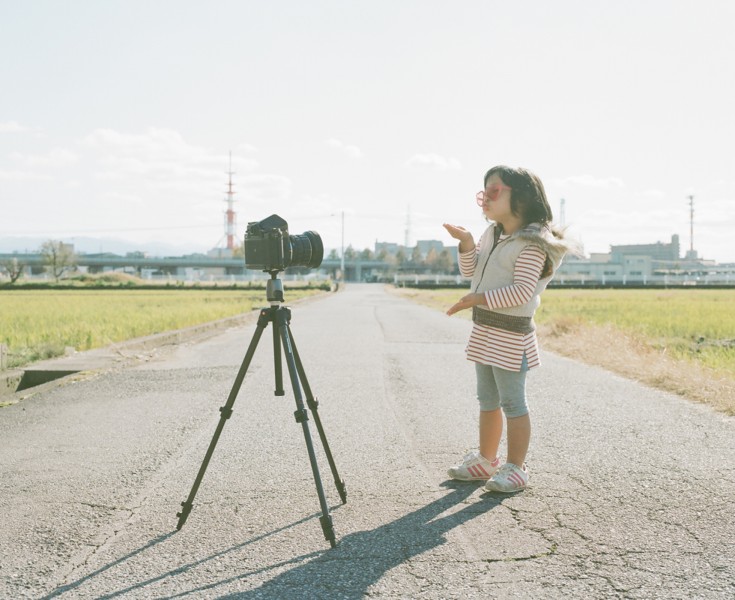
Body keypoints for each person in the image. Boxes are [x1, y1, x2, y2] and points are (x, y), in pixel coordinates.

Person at [443, 165, 575, 493]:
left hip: (511, 336)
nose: (485, 198)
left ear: (523, 197)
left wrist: (477, 298)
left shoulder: (532, 244)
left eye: (494, 192)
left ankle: (516, 467)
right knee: (487, 399)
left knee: (513, 403)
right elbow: (470, 270)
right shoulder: (493, 234)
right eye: (483, 192)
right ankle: (486, 460)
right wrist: (467, 243)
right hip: (486, 331)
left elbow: (521, 292)